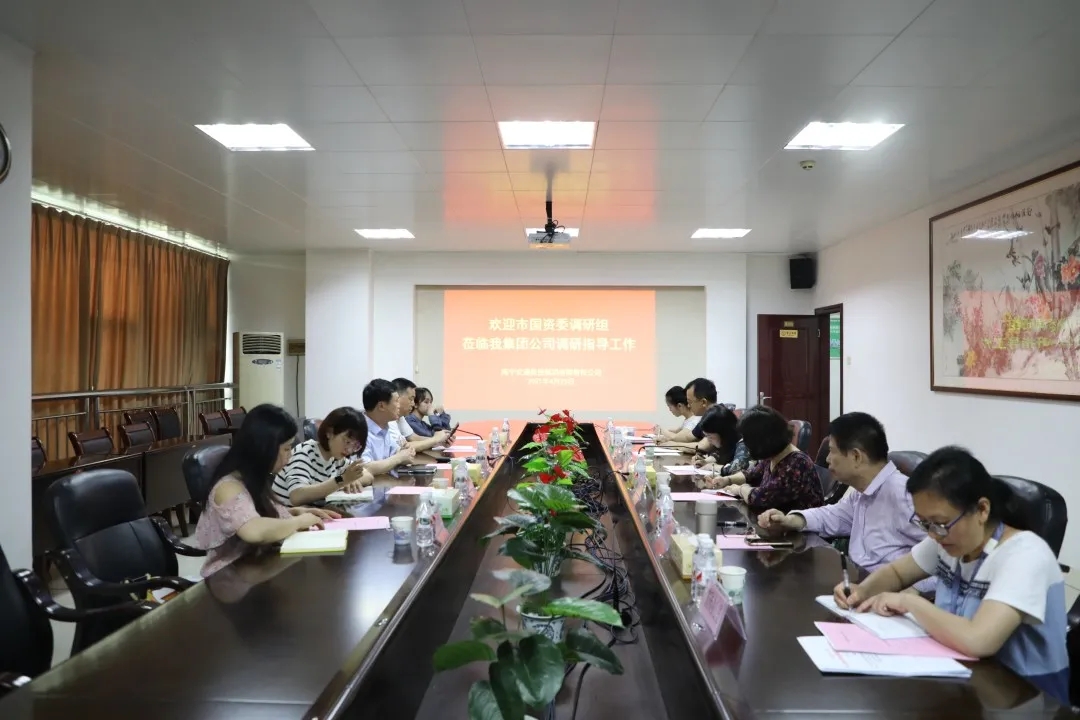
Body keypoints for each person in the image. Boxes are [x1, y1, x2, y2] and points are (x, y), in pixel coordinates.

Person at [834, 447, 1068, 703]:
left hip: (1025, 696)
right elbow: (897, 573)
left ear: (982, 510)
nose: (933, 534)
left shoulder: (1025, 555)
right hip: (963, 678)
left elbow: (979, 640)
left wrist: (910, 602)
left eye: (940, 523)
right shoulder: (948, 538)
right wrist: (863, 590)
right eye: (925, 523)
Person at [757, 412, 932, 591]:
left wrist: (914, 592)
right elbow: (832, 515)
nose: (827, 459)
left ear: (856, 456)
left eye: (832, 451)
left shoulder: (906, 496)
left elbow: (943, 559)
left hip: (890, 594)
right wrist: (790, 520)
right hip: (859, 585)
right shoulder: (863, 492)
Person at [194, 404, 339, 578]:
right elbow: (254, 530)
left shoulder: (254, 477)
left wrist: (293, 512)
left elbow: (254, 513)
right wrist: (299, 521)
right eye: (286, 448)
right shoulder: (228, 487)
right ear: (265, 448)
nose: (290, 456)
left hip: (257, 567)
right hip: (228, 578)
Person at [714, 405, 822, 514]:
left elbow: (761, 498)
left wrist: (740, 489)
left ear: (763, 440)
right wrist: (726, 480)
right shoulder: (773, 455)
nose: (746, 445)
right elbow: (750, 475)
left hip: (798, 523)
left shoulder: (797, 464)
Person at [271, 406, 372, 507]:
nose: (349, 450)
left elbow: (368, 476)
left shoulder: (336, 459)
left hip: (313, 513)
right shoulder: (305, 453)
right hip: (286, 515)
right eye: (347, 442)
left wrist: (353, 480)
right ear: (329, 432)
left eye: (355, 446)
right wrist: (342, 480)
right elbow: (297, 496)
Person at [361, 378, 417, 475]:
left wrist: (405, 452)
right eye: (396, 401)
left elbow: (395, 452)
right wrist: (399, 458)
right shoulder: (360, 430)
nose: (399, 406)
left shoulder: (385, 425)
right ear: (381, 406)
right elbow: (365, 468)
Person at [391, 377, 449, 452]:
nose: (413, 403)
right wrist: (435, 439)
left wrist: (440, 442)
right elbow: (403, 448)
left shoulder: (400, 417)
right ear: (397, 398)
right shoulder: (389, 419)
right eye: (411, 399)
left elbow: (413, 437)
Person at [693, 404, 752, 477]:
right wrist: (705, 461)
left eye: (710, 436)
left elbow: (736, 469)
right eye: (706, 435)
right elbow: (719, 454)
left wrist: (713, 467)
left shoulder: (743, 443)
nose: (708, 440)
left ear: (723, 433)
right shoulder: (727, 442)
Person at [659, 378, 717, 447]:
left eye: (690, 402)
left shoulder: (717, 417)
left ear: (703, 402)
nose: (688, 406)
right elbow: (688, 437)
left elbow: (702, 446)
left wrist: (674, 444)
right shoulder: (706, 418)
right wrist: (667, 440)